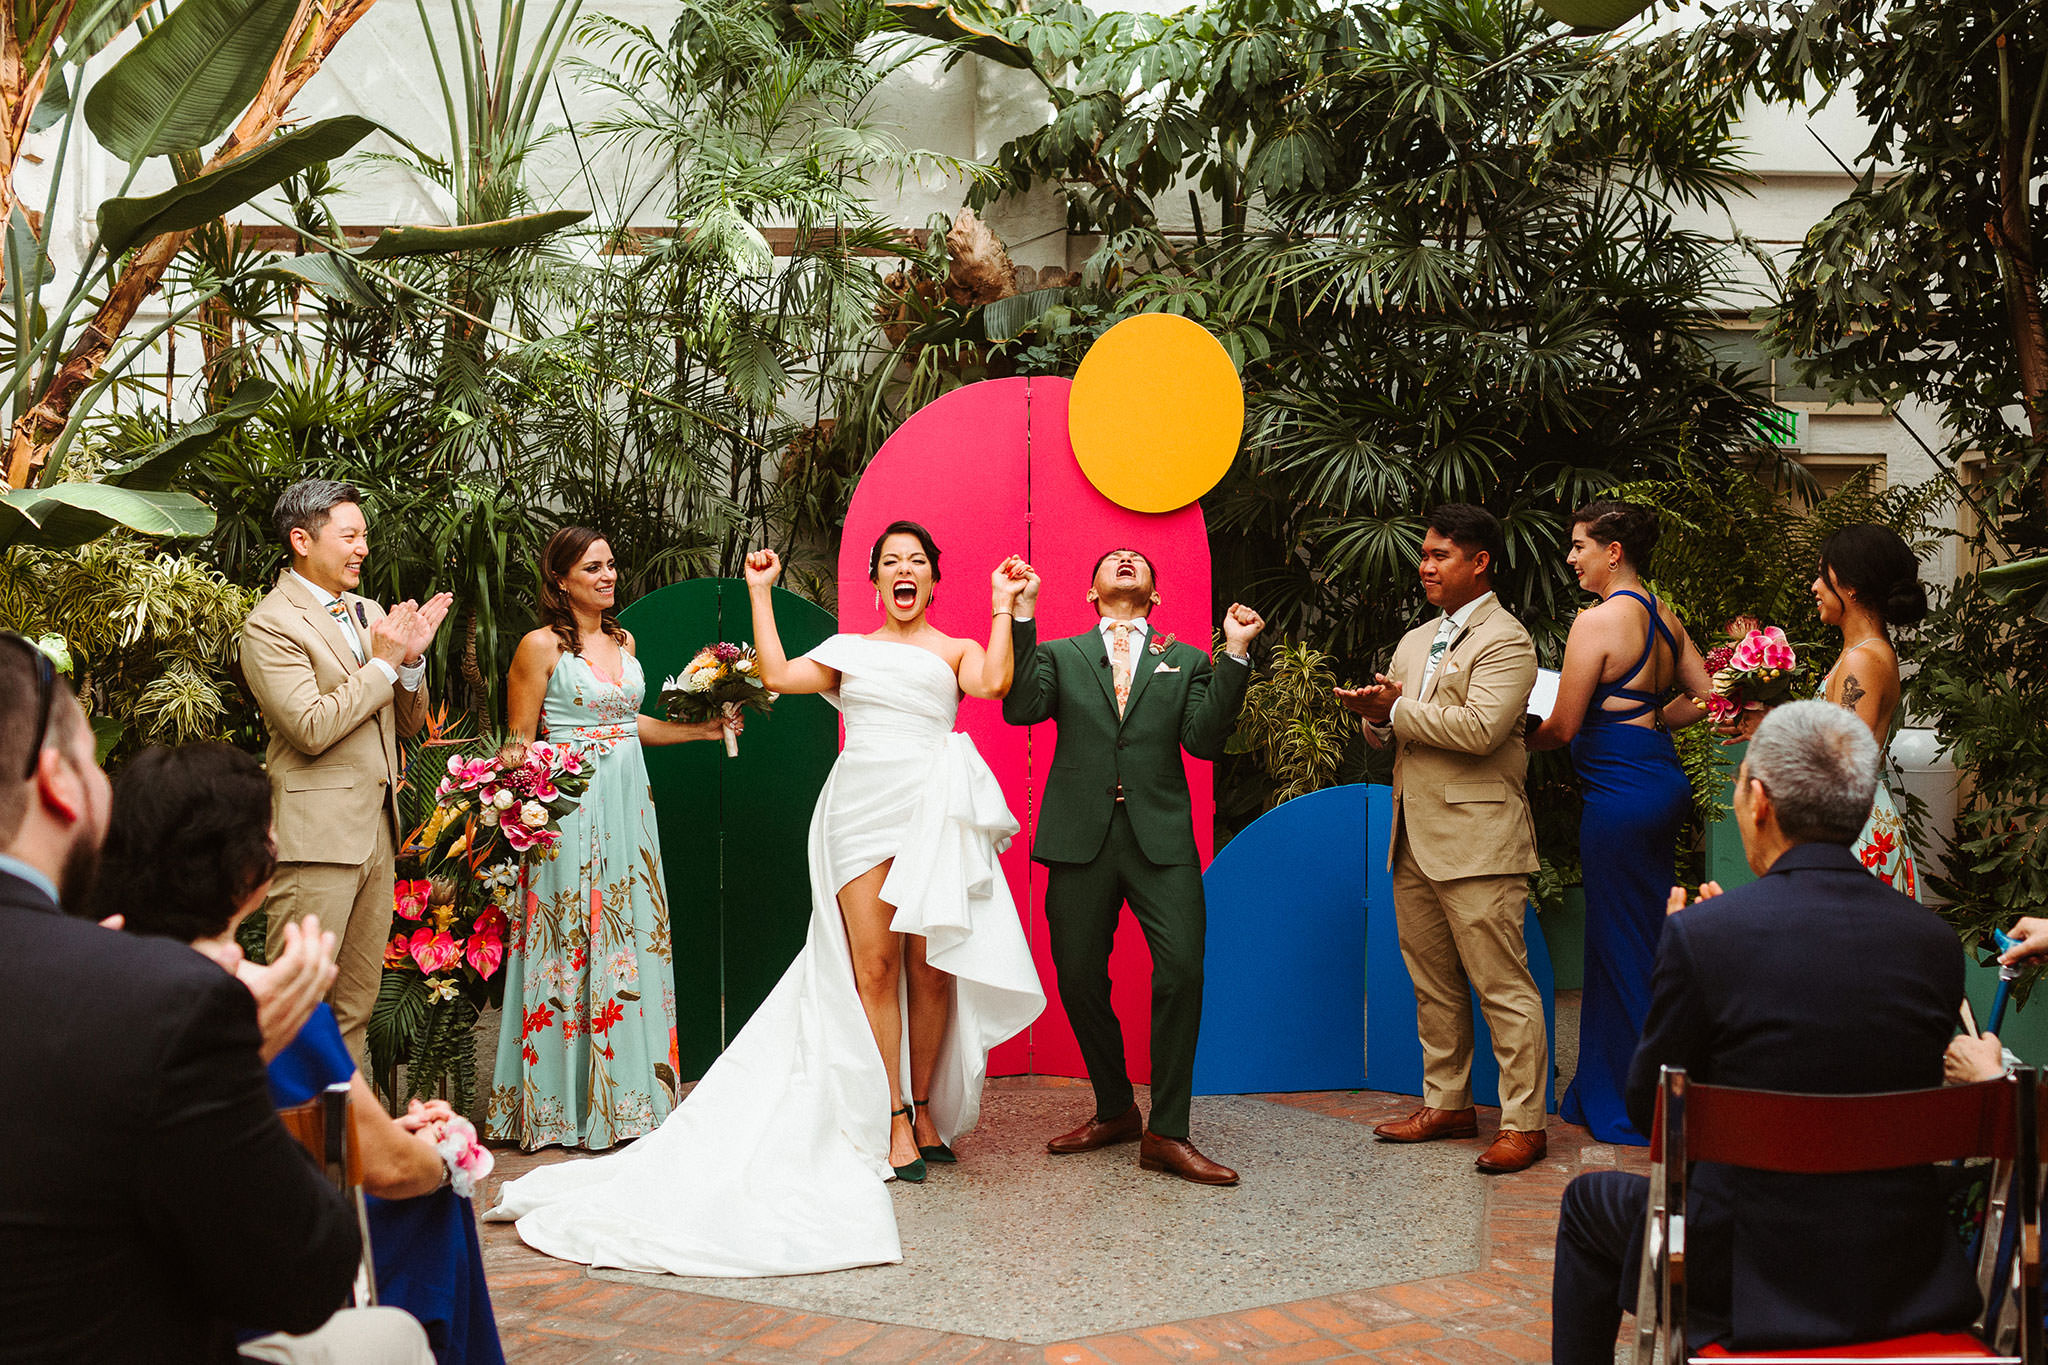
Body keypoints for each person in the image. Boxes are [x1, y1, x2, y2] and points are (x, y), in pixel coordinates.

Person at [487, 524, 1043, 1275]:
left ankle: (927, 1109)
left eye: (916, 562)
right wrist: (757, 589)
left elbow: (994, 685)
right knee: (874, 968)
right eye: (891, 563)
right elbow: (776, 673)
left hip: (933, 806)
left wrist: (1006, 606)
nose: (903, 571)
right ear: (874, 579)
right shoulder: (847, 649)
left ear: (934, 581)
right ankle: (893, 1119)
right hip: (860, 807)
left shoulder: (956, 650)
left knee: (931, 965)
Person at [0, 634, 431, 1364]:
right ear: (59, 783)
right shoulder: (154, 1001)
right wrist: (231, 1060)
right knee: (390, 1339)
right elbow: (305, 1276)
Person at [1551, 701, 1978, 1361]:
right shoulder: (1933, 942)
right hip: (1897, 1271)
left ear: (1759, 799)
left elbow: (1649, 1111)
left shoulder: (1703, 935)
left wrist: (1689, 954)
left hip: (1744, 1277)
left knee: (1587, 1203)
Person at [89, 742, 504, 1365]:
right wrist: (444, 1153)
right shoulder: (273, 1005)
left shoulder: (89, 982)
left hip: (130, 1270)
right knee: (434, 1191)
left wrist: (382, 1133)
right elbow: (389, 1171)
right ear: (251, 875)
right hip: (248, 1286)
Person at [1001, 549, 1265, 1185]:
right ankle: (1117, 1107)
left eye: (1138, 559)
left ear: (1155, 593)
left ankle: (1168, 1132)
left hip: (1161, 840)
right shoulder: (1061, 655)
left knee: (1180, 970)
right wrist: (1022, 616)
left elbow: (1203, 741)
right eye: (1112, 559)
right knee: (1078, 975)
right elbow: (1021, 707)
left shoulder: (1191, 660)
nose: (1124, 559)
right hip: (1077, 838)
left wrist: (1233, 653)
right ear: (1091, 593)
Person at [486, 527, 735, 1151]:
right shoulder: (537, 648)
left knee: (626, 933)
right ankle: (559, 1106)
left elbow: (630, 724)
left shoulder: (624, 641)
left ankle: (627, 1098)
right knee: (569, 936)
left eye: (611, 564)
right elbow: (517, 742)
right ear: (561, 579)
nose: (607, 575)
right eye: (592, 567)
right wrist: (508, 814)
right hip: (565, 814)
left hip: (629, 810)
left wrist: (703, 732)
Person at [1337, 504, 1548, 1175]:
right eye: (1423, 553)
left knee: (1502, 986)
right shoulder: (1415, 637)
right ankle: (1449, 1102)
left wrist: (1397, 709)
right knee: (1433, 985)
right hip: (1414, 836)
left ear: (1480, 562)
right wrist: (1375, 719)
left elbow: (1483, 729)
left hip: (1480, 838)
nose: (1425, 565)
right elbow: (1402, 728)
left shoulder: (1507, 640)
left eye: (1441, 555)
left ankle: (1524, 1122)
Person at [240, 479, 452, 1065]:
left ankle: (347, 1152)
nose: (363, 548)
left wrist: (410, 665)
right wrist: (384, 663)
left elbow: (408, 725)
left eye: (365, 536)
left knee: (355, 1005)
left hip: (376, 834)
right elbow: (309, 726)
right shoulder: (270, 623)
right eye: (350, 535)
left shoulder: (369, 612)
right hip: (316, 838)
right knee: (295, 1002)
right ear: (302, 539)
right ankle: (279, 1147)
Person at [1528, 502, 1714, 1146]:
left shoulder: (1597, 622)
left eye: (1581, 546)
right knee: (1636, 939)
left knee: (1621, 944)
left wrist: (1512, 737)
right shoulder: (1666, 616)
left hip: (1617, 796)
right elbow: (1711, 696)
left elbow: (1563, 725)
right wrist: (1655, 721)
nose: (1572, 557)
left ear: (1614, 552)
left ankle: (1641, 1101)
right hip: (1659, 782)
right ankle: (1612, 1086)